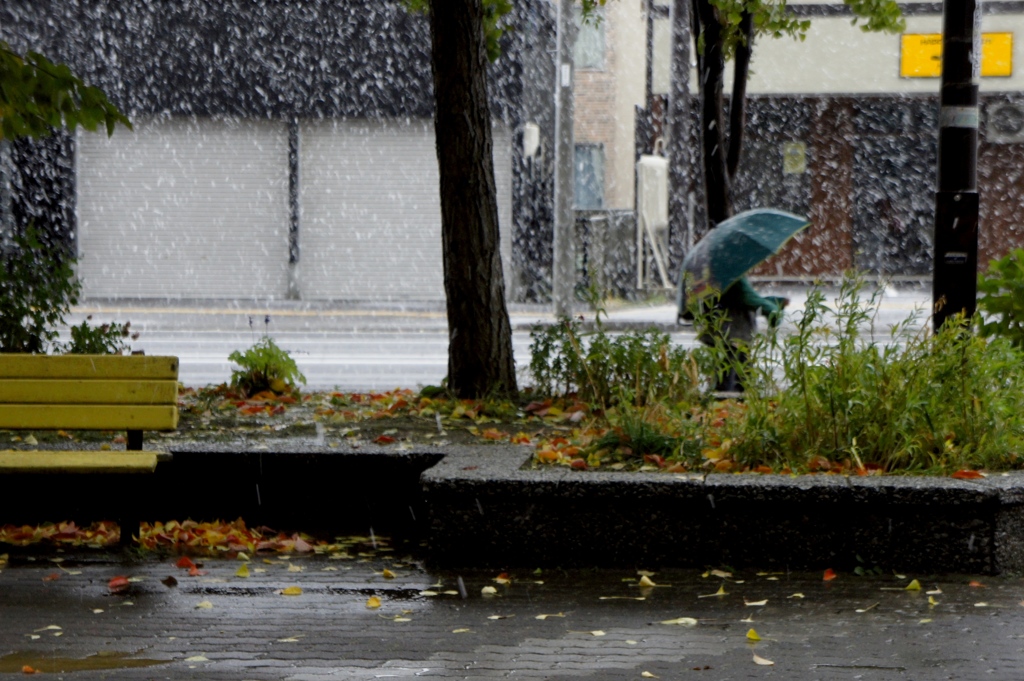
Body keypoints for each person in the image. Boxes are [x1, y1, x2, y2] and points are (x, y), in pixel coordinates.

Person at [695, 276, 788, 393]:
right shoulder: (734, 277)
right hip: (732, 333)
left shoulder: (715, 275)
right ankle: (726, 402)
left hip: (721, 331)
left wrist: (775, 301)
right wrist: (773, 310)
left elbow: (740, 298)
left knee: (736, 374)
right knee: (734, 376)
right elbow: (749, 298)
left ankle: (731, 401)